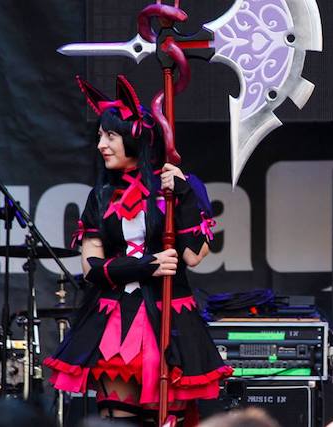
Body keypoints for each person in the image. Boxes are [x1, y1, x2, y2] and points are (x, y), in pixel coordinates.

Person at [44, 75, 233, 425]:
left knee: (167, 419)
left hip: (168, 318)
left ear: (134, 137)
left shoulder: (180, 188)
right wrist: (147, 265)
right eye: (99, 136)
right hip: (116, 318)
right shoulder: (100, 196)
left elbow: (193, 256)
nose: (100, 145)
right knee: (116, 419)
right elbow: (91, 268)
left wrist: (184, 194)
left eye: (109, 136)